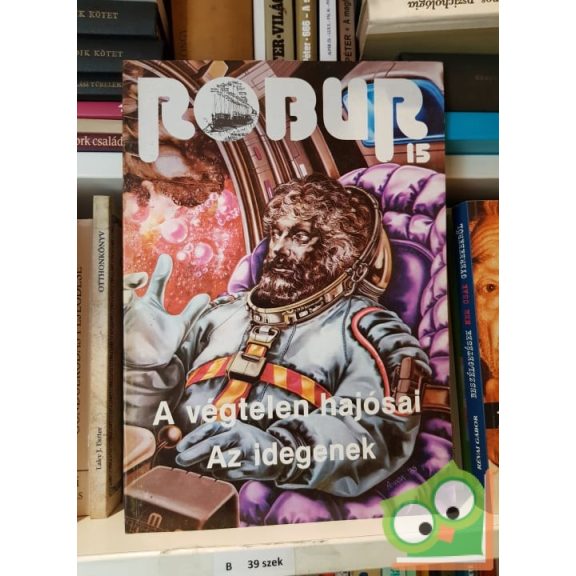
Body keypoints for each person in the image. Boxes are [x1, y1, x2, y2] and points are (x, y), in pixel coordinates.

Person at [124, 174, 432, 514]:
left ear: (338, 250)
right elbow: (146, 423)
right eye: (276, 233)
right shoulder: (219, 314)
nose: (278, 250)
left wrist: (277, 451)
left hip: (258, 511)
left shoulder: (369, 329)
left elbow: (375, 429)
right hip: (160, 491)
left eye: (299, 236)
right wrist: (144, 370)